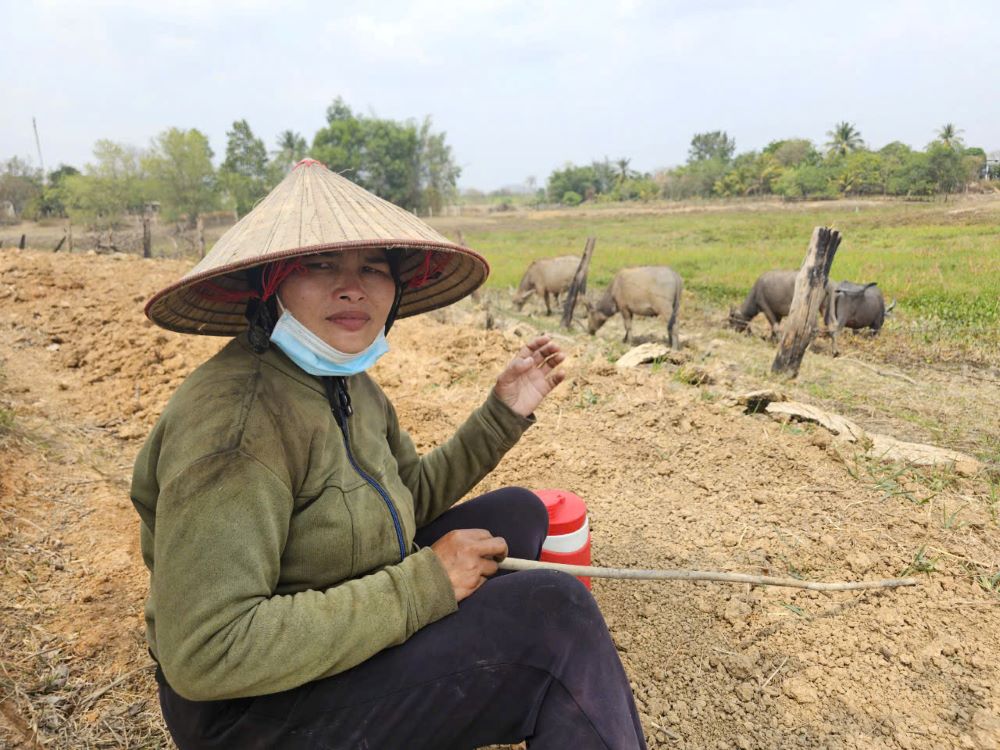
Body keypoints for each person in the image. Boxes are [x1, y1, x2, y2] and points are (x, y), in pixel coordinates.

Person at [131, 159, 646, 749]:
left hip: (334, 631)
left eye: (373, 267)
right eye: (319, 264)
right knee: (555, 616)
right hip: (254, 711)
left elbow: (409, 497)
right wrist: (423, 585)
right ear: (269, 285)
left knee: (518, 513)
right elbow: (208, 652)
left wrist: (503, 414)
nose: (353, 287)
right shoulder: (237, 428)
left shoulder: (344, 382)